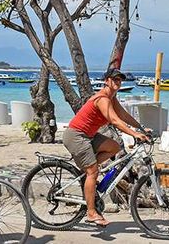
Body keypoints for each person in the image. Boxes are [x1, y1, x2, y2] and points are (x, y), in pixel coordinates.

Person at [62, 68, 150, 227]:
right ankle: (91, 212)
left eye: (120, 80)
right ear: (106, 81)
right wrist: (134, 134)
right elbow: (115, 121)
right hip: (76, 136)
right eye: (114, 79)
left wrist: (141, 128)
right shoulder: (102, 98)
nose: (118, 82)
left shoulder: (112, 97)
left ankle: (87, 170)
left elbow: (124, 116)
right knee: (93, 172)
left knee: (114, 147)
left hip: (88, 136)